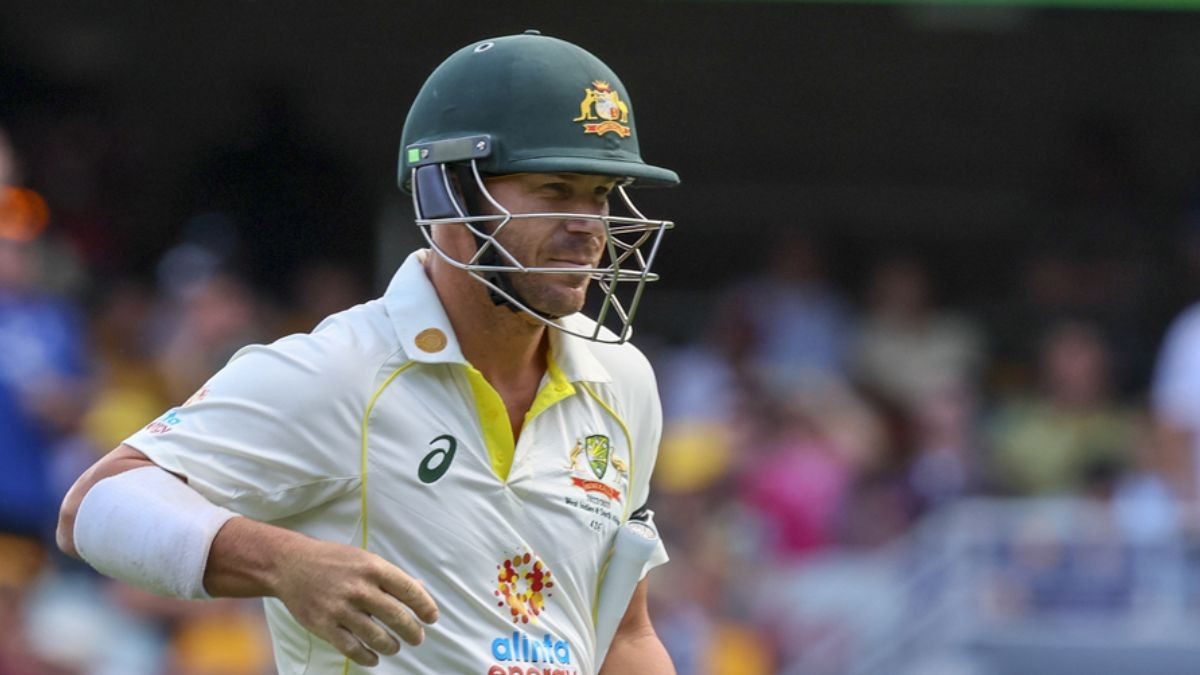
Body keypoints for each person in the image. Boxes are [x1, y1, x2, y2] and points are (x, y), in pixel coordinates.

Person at [57, 32, 679, 675]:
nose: (589, 226)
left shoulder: (621, 377)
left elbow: (625, 634)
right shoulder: (340, 371)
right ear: (445, 193)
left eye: (600, 194)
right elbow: (95, 505)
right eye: (555, 189)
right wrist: (284, 563)